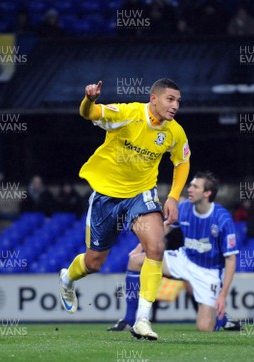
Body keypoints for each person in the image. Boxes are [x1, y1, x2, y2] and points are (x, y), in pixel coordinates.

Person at [58, 78, 191, 341]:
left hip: (141, 195)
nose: (175, 105)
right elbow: (89, 114)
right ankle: (66, 280)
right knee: (93, 263)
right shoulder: (128, 114)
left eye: (178, 101)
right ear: (154, 98)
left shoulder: (175, 132)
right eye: (170, 99)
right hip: (107, 195)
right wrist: (89, 99)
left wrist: (173, 197)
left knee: (155, 247)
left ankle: (142, 320)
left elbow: (182, 162)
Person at [107, 172, 240, 332]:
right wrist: (139, 248)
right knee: (135, 261)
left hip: (208, 272)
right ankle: (129, 319)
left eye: (195, 186)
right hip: (185, 259)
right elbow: (164, 227)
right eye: (190, 185)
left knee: (205, 328)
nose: (189, 189)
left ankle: (222, 319)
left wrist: (222, 296)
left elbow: (231, 259)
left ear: (207, 193)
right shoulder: (184, 208)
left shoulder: (222, 218)